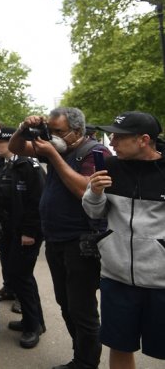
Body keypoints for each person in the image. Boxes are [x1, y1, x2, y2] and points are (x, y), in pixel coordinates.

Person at [9, 107, 111, 369]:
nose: (51, 137)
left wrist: (53, 154)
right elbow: (17, 148)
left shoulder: (95, 152)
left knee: (83, 311)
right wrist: (23, 129)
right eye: (49, 130)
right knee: (65, 304)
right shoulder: (62, 149)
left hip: (81, 242)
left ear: (77, 132)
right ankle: (80, 357)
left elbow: (85, 190)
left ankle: (86, 364)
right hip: (56, 240)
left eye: (58, 132)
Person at [82, 111, 165, 368]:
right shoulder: (110, 167)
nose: (112, 141)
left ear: (144, 140)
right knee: (119, 345)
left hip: (161, 282)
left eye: (119, 137)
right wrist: (95, 192)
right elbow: (94, 212)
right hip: (116, 278)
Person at [0, 127, 46, 349]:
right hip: (7, 231)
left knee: (22, 277)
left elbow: (38, 201)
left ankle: (33, 326)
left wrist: (29, 232)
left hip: (25, 233)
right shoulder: (2, 166)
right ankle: (33, 320)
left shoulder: (29, 166)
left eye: (1, 141)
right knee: (15, 277)